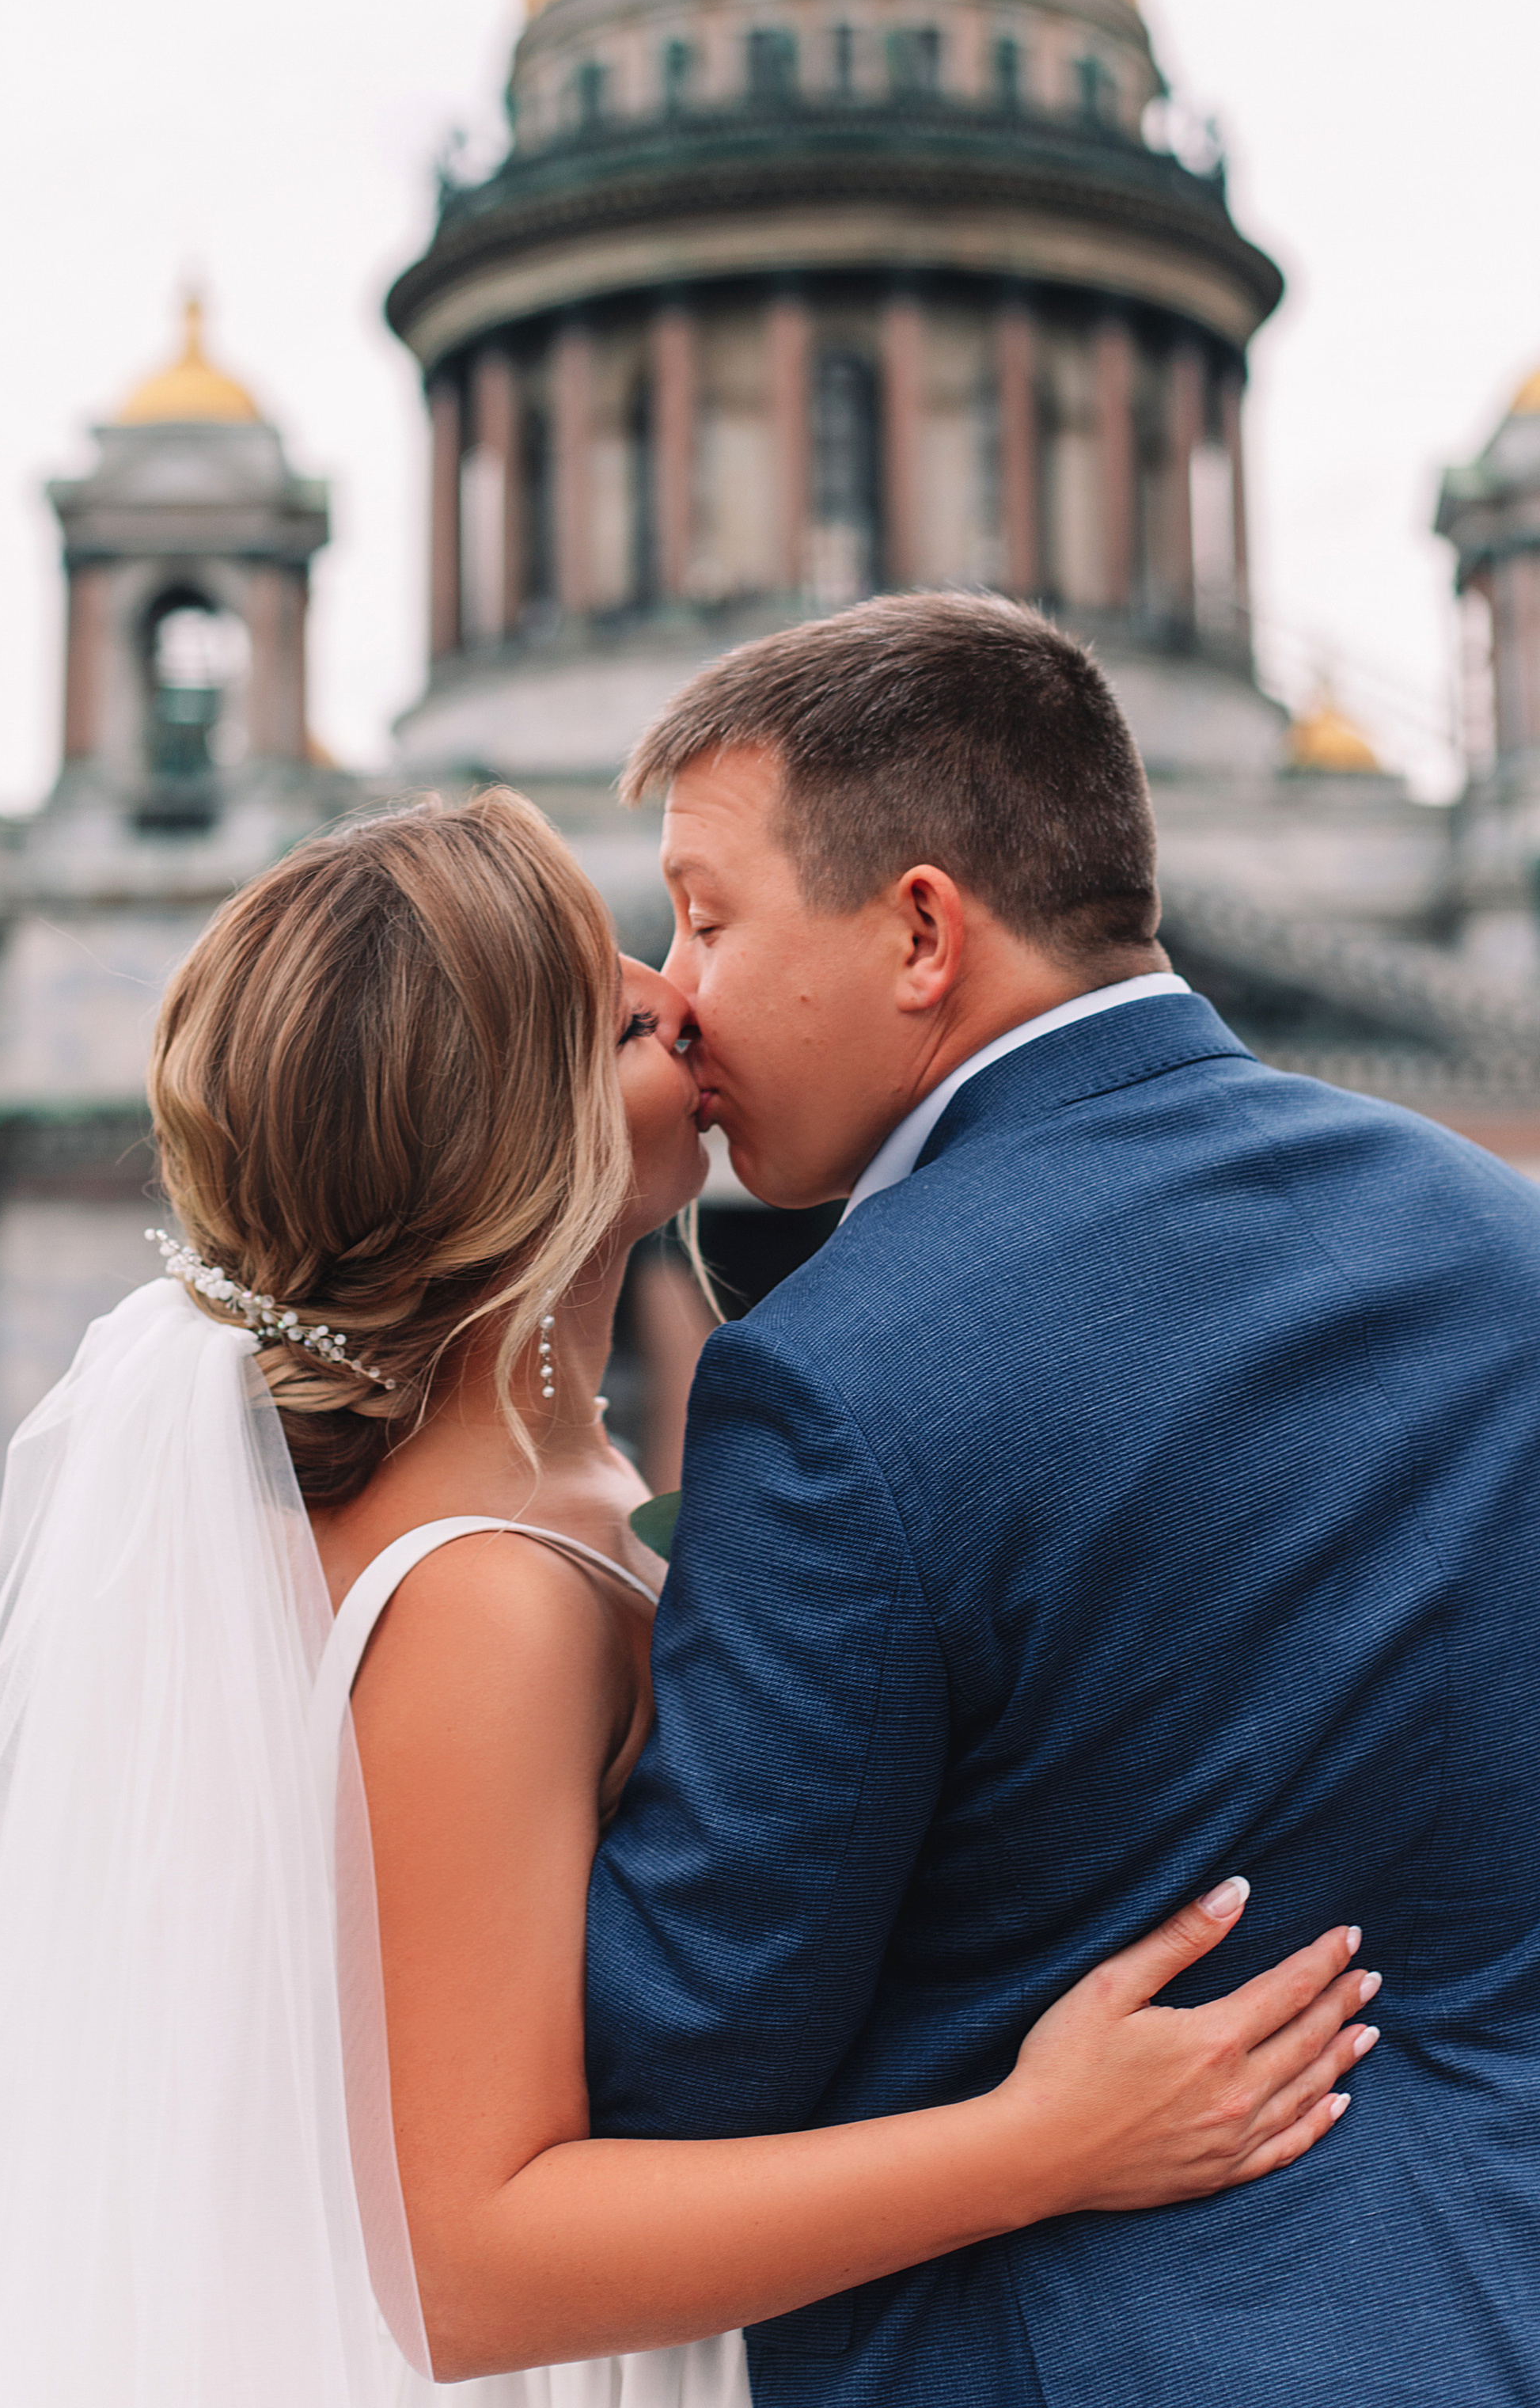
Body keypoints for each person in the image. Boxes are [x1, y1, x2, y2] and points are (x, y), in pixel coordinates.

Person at [0, 788, 1373, 2408]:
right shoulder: (477, 1598)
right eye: (615, 1019)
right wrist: (1037, 2146)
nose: (682, 997)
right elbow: (465, 2264)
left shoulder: (535, 1500)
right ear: (516, 1137)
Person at [588, 591, 1539, 2406]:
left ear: (921, 932)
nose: (677, 995)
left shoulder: (839, 1372)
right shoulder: (1496, 1246)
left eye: (706, 918)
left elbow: (677, 2055)